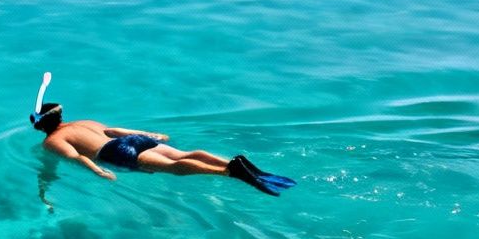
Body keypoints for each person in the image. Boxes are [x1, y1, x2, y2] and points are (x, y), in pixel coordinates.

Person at [26, 75, 296, 196]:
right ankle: (232, 161)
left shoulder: (52, 142)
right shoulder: (83, 122)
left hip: (115, 153)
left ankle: (229, 171)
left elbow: (76, 158)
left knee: (174, 168)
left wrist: (100, 173)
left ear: (40, 125)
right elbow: (117, 131)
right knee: (183, 155)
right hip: (131, 141)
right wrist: (149, 134)